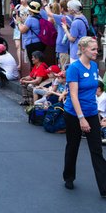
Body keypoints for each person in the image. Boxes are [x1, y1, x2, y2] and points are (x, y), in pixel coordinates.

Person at [62, 36, 106, 196]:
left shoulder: (94, 66)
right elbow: (73, 96)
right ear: (83, 49)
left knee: (96, 150)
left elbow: (93, 90)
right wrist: (81, 118)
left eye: (97, 49)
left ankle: (104, 187)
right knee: (73, 146)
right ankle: (69, 177)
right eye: (93, 49)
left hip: (92, 113)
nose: (96, 52)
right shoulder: (74, 68)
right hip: (74, 114)